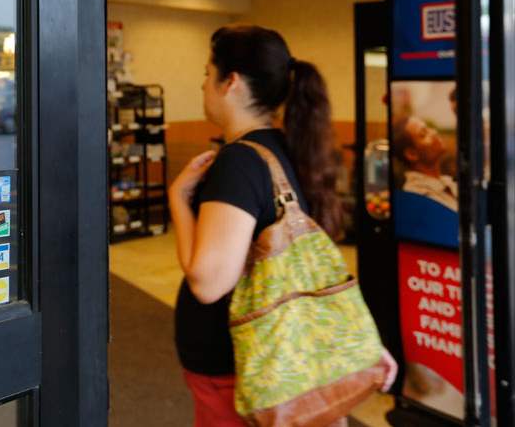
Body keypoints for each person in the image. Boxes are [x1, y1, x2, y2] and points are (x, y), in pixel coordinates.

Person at [168, 25, 397, 427]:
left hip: (245, 367)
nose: (203, 84)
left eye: (207, 73)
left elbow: (208, 282)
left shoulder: (240, 162)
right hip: (283, 359)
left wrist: (177, 198)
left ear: (231, 82)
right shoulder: (288, 149)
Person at [391, 115, 458, 211]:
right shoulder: (416, 196)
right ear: (412, 154)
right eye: (424, 134)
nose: (434, 132)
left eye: (429, 129)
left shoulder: (448, 181)